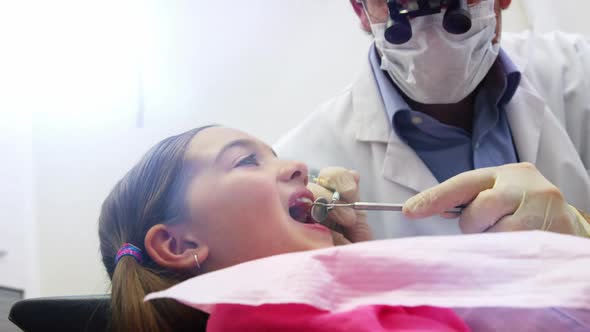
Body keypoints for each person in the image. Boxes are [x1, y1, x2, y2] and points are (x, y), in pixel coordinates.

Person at [99, 125, 472, 331]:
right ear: (181, 244)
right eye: (246, 161)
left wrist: (360, 258)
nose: (298, 166)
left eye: (273, 156)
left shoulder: (311, 311)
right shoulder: (262, 319)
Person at [274, 0, 590, 239]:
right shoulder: (303, 165)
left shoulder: (577, 70)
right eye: (401, 2)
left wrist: (580, 231)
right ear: (361, 9)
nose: (431, 29)